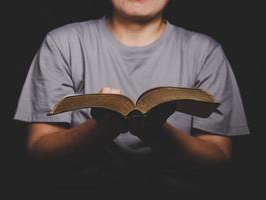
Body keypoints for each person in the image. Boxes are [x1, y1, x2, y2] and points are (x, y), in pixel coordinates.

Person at [14, 0, 250, 192]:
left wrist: (157, 130)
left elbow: (218, 159)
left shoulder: (206, 52)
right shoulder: (62, 43)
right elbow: (40, 152)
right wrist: (101, 128)